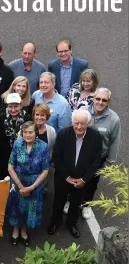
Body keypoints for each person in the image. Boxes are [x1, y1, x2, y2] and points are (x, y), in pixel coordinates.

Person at [48, 110, 103, 238]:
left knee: (76, 202)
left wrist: (84, 180)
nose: (79, 127)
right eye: (76, 123)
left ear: (88, 123)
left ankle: (72, 224)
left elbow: (96, 161)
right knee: (58, 200)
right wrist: (67, 177)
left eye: (82, 124)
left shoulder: (95, 137)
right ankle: (55, 222)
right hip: (63, 177)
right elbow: (57, 157)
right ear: (72, 122)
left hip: (82, 179)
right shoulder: (63, 134)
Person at [6, 121, 49, 247]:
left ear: (36, 133)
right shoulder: (17, 144)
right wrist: (20, 187)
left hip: (35, 184)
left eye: (30, 132)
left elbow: (45, 170)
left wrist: (31, 187)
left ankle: (24, 230)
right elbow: (10, 167)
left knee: (29, 209)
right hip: (18, 181)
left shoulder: (43, 147)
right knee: (16, 207)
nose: (27, 135)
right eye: (25, 132)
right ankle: (15, 229)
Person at [80, 88, 121, 220]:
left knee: (92, 182)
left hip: (98, 158)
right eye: (98, 99)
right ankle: (71, 200)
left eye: (104, 100)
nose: (100, 102)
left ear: (109, 102)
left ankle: (86, 205)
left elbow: (115, 141)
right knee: (75, 177)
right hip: (80, 154)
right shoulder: (83, 111)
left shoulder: (114, 119)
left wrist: (110, 162)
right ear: (93, 98)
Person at [0, 93, 30, 179]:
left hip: (21, 154)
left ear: (20, 105)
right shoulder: (2, 117)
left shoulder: (27, 118)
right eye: (10, 106)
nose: (13, 109)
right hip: (4, 155)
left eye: (16, 106)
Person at [30, 103, 57, 192]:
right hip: (28, 169)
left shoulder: (51, 131)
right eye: (37, 114)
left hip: (44, 170)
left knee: (42, 193)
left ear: (47, 116)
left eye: (42, 115)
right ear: (33, 115)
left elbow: (52, 149)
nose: (39, 117)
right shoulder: (26, 129)